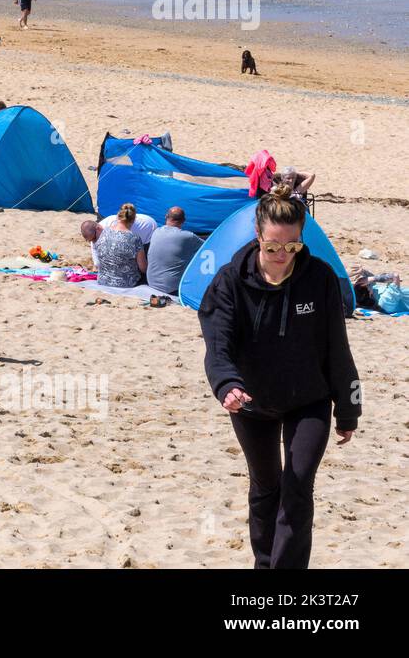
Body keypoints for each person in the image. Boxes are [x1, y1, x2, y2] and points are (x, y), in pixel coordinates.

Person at [199, 183, 360, 569]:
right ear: (257, 237)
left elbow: (337, 347)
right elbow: (217, 345)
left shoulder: (319, 279)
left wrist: (348, 408)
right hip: (251, 401)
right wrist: (227, 386)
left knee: (299, 487)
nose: (282, 256)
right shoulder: (230, 281)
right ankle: (265, 563)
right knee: (266, 486)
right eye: (272, 246)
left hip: (309, 400)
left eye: (292, 246)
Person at [145, 207, 205, 295]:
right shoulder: (188, 237)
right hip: (171, 289)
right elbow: (208, 246)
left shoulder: (156, 232)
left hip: (151, 283)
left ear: (166, 216)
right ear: (183, 220)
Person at [94, 203, 147, 288]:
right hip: (126, 283)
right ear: (133, 220)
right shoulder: (135, 238)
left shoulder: (105, 231)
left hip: (103, 280)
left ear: (118, 216)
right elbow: (143, 268)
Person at [81, 210, 157, 268]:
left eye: (94, 238)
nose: (94, 241)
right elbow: (97, 262)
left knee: (142, 265)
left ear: (98, 228)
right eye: (90, 240)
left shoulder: (114, 227)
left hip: (148, 229)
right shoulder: (95, 234)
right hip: (137, 229)